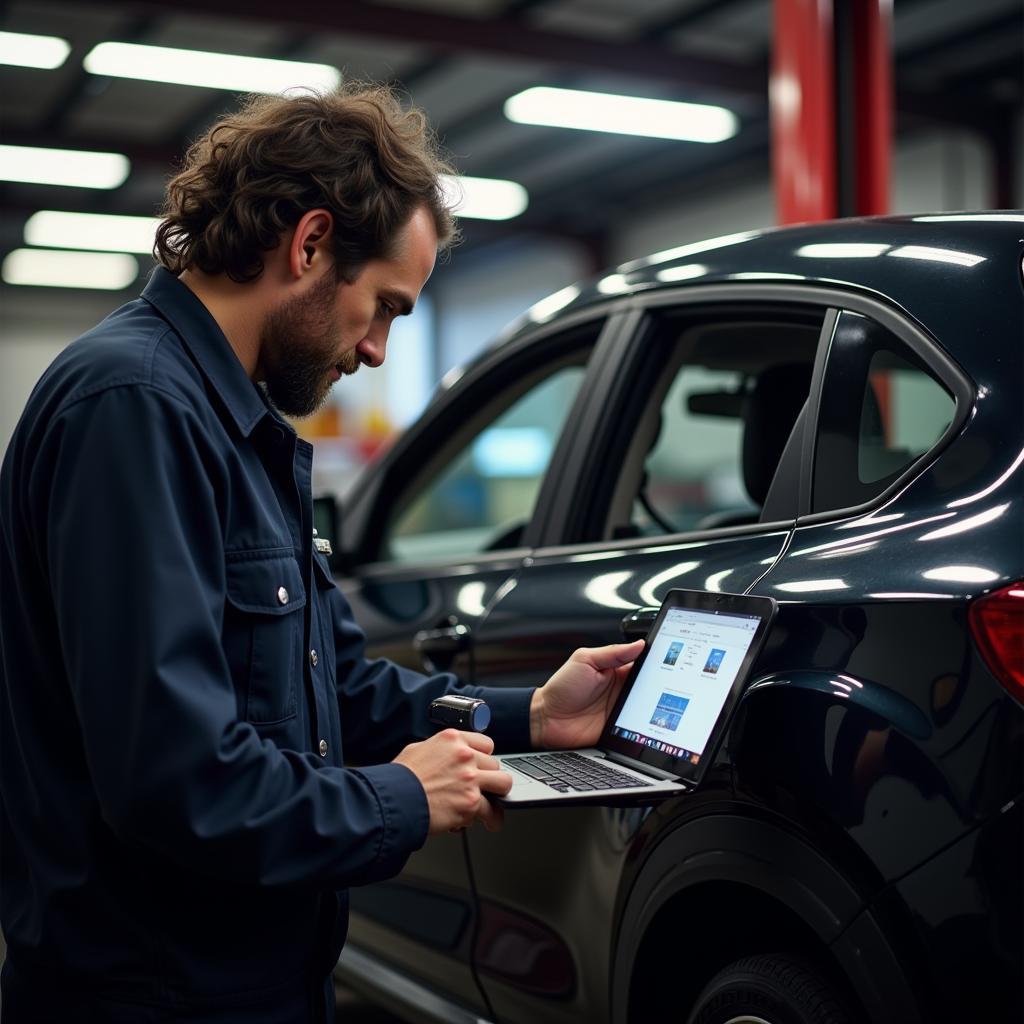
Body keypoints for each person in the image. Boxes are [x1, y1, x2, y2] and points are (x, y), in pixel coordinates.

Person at [0, 85, 644, 1022]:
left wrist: (533, 715)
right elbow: (172, 779)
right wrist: (398, 798)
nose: (380, 350)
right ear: (308, 245)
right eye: (383, 307)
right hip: (153, 993)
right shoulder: (136, 408)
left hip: (244, 975)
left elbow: (334, 692)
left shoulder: (236, 425)